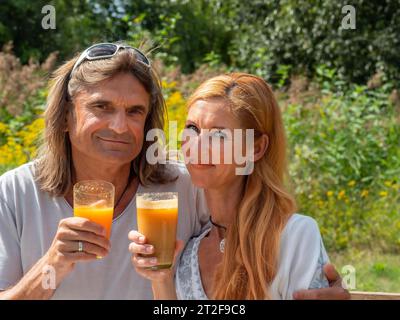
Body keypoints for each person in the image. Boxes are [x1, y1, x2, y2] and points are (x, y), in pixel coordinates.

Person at [0, 42, 348, 300]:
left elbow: (255, 215)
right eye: (101, 107)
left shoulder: (185, 184)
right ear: (64, 117)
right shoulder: (15, 193)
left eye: (135, 111)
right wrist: (53, 264)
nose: (120, 126)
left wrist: (325, 285)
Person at [129, 73, 350, 300]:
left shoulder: (295, 236)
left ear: (256, 148)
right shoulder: (189, 253)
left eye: (219, 135)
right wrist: (161, 281)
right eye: (192, 128)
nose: (198, 145)